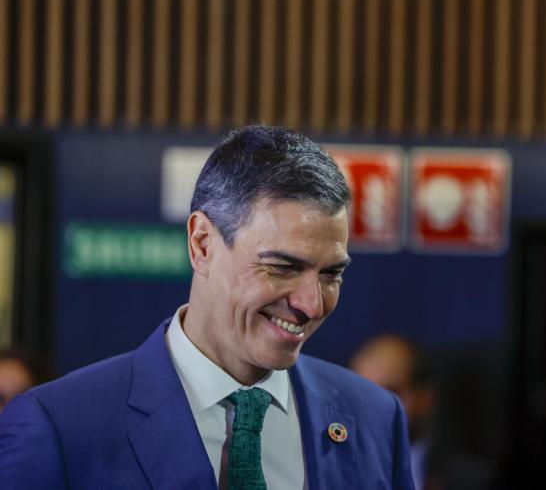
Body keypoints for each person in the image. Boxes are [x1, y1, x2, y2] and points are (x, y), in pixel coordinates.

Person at [0, 126, 414, 489]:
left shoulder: (375, 418)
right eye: (283, 267)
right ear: (202, 244)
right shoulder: (59, 427)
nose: (312, 304)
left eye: (331, 274)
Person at [351, 335, 493, 490]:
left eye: (389, 393)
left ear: (425, 399)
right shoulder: (337, 472)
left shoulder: (471, 480)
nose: (372, 407)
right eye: (362, 393)